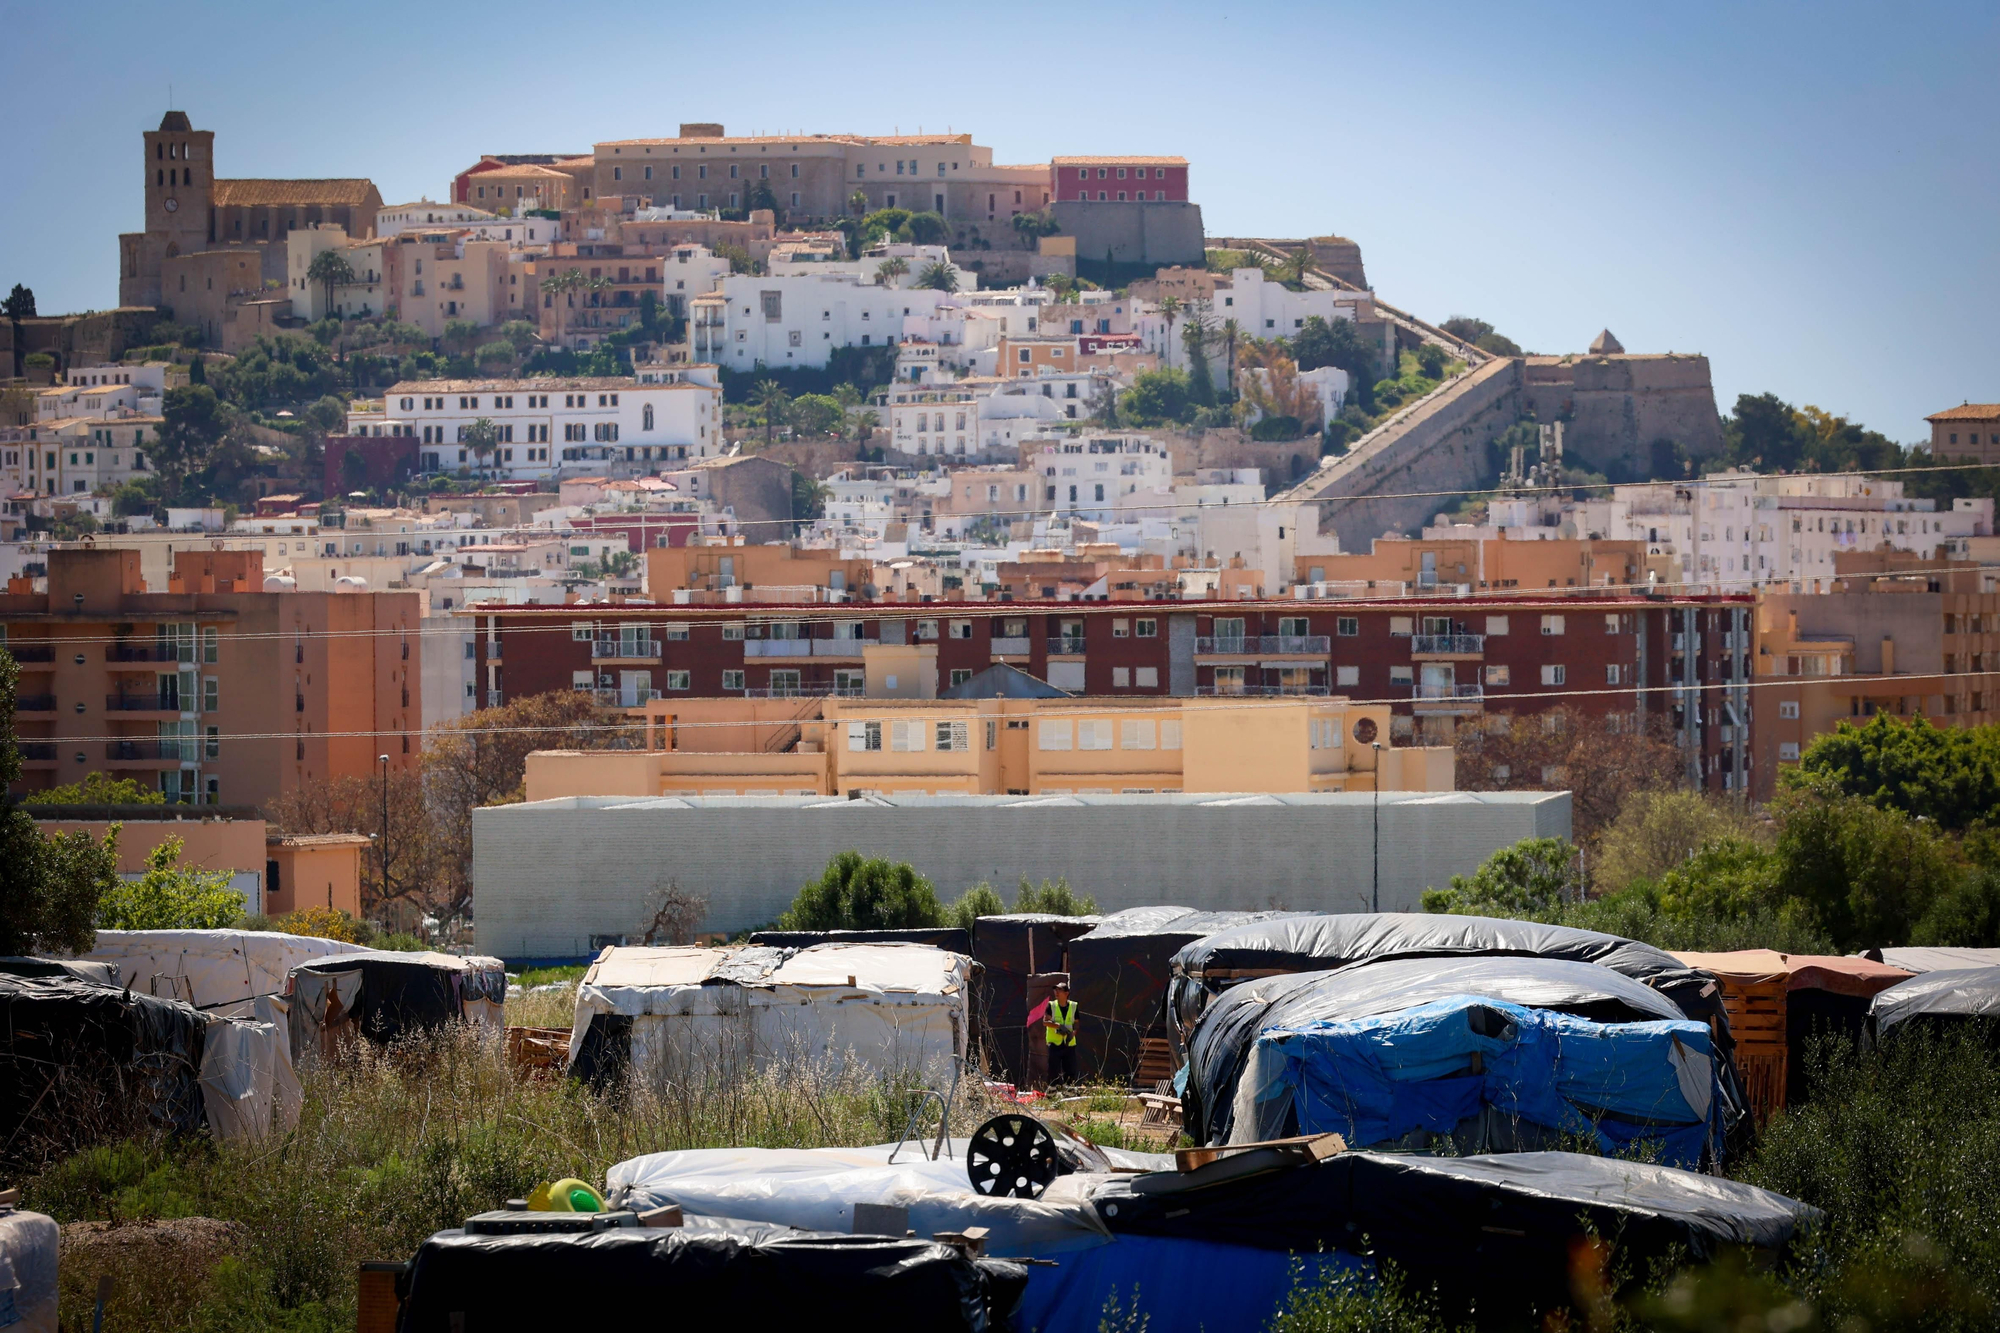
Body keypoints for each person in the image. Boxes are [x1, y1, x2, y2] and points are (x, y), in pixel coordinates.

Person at [1043, 979, 1079, 1087]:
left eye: (1059, 990)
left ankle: (1069, 1093)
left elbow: (1076, 1023)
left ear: (1066, 993)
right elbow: (1045, 1021)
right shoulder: (1051, 1005)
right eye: (1055, 990)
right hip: (1055, 1044)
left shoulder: (1073, 1006)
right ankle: (1052, 1094)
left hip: (1069, 1043)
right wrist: (1059, 1026)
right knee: (1053, 1070)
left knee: (1070, 1070)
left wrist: (1072, 1034)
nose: (1056, 993)